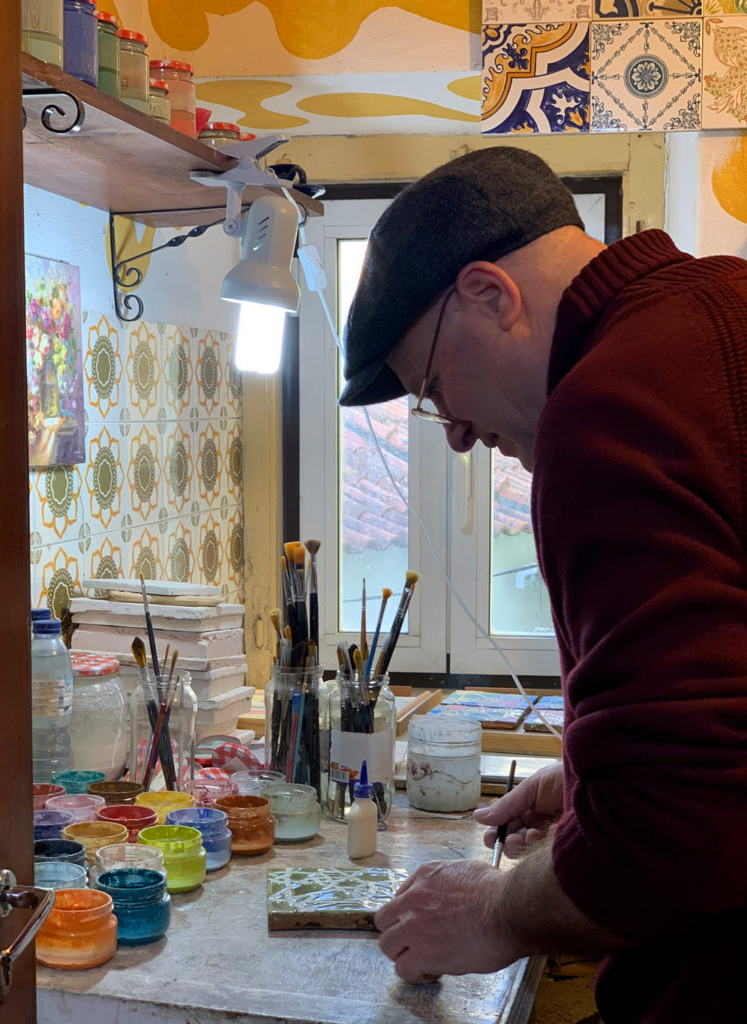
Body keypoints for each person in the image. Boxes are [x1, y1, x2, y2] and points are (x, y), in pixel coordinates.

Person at [337, 146, 747, 1024]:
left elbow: (675, 835)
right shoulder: (723, 307)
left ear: (491, 293)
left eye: (434, 386)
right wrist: (595, 780)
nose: (454, 432)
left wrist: (491, 909)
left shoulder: (609, 408)